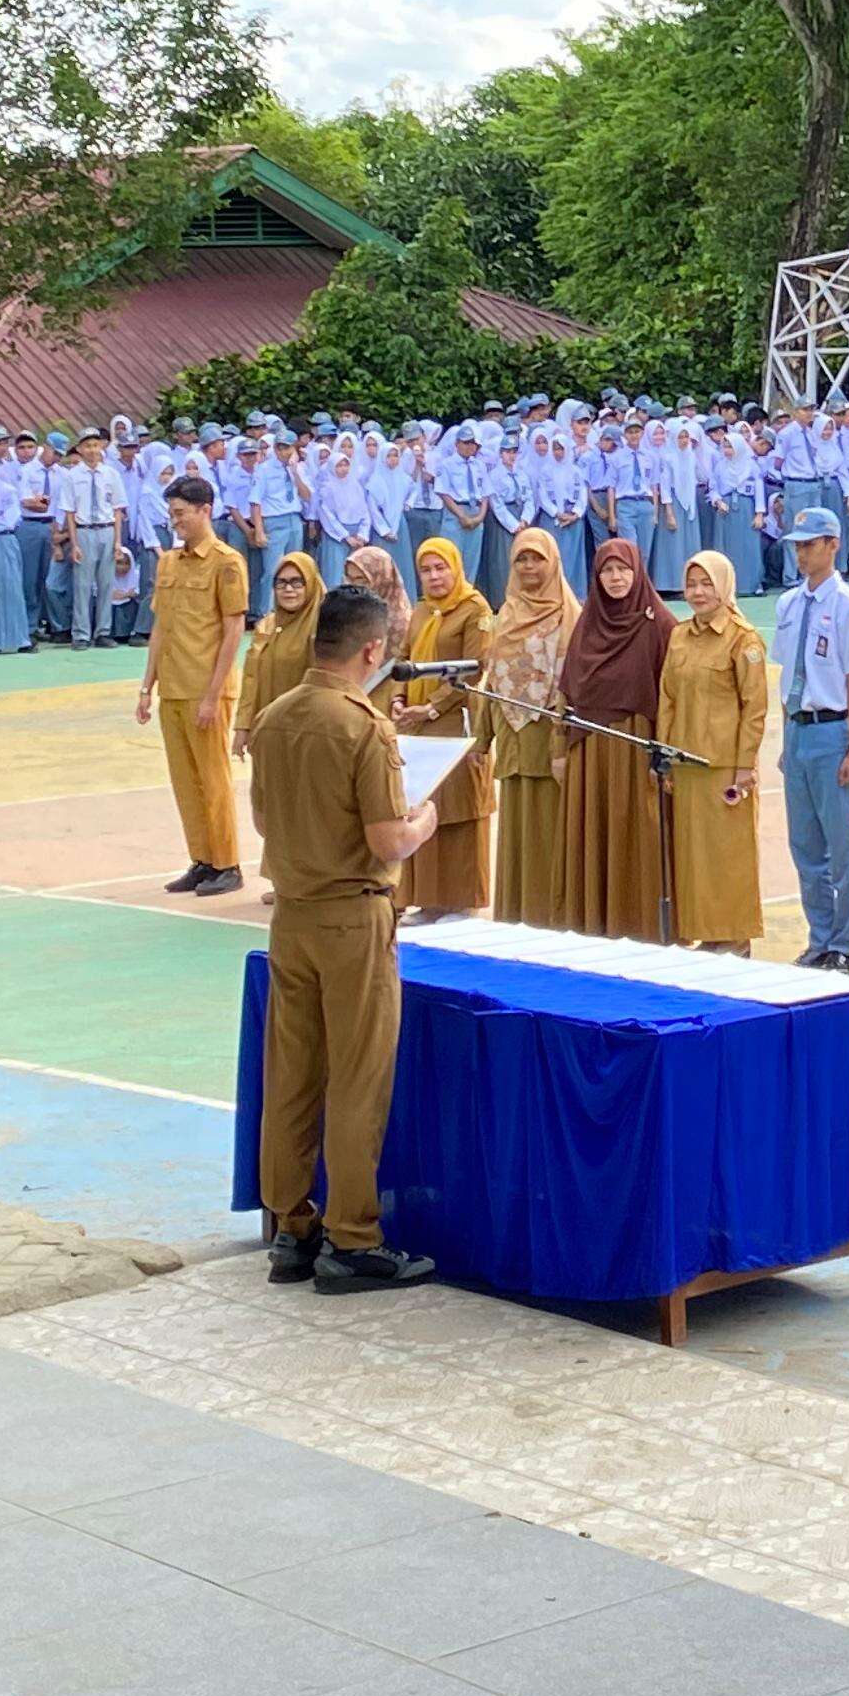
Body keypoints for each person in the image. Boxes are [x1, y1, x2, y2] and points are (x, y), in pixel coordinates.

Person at [249, 583, 442, 1294]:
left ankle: (292, 1227)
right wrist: (424, 820)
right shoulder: (365, 728)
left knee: (292, 1078)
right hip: (352, 915)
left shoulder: (273, 717)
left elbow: (265, 820)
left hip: (292, 915)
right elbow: (387, 838)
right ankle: (354, 1237)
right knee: (358, 1079)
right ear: (372, 650)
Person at [137, 474, 251, 899]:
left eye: (182, 513)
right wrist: (147, 686)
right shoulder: (168, 562)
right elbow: (161, 627)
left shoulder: (226, 562)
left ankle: (227, 862)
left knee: (213, 779)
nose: (176, 521)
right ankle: (202, 858)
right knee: (185, 780)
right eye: (172, 514)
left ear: (206, 511)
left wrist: (213, 694)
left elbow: (233, 629)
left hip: (206, 687)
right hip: (173, 686)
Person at [559, 535, 676, 941]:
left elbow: (671, 694)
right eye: (607, 571)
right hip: (591, 749)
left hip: (636, 746)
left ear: (637, 571)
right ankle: (595, 920)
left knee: (637, 830)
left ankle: (641, 924)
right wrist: (562, 746)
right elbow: (569, 690)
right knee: (596, 831)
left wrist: (663, 751)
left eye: (623, 569)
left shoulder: (660, 625)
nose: (615, 578)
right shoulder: (588, 625)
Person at [771, 509, 849, 970]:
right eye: (797, 545)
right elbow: (786, 675)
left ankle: (845, 945)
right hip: (799, 729)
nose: (802, 553)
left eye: (810, 545)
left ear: (833, 544)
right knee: (805, 845)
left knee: (841, 846)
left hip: (831, 730)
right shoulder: (789, 604)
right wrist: (785, 736)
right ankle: (819, 938)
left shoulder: (848, 607)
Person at [658, 549, 769, 952]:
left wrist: (744, 766)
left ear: (724, 586)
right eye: (691, 584)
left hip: (724, 767)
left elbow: (754, 708)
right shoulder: (679, 636)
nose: (698, 592)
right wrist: (666, 757)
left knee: (728, 855)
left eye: (707, 584)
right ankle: (706, 931)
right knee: (695, 857)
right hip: (687, 765)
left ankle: (734, 936)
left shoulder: (743, 639)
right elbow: (667, 698)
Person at [387, 535, 496, 921]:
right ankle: (427, 899)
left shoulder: (474, 609)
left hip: (455, 725)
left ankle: (460, 900)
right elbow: (403, 657)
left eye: (440, 568)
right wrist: (399, 698)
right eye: (426, 570)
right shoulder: (421, 610)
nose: (434, 577)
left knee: (457, 812)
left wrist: (431, 707)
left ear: (456, 568)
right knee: (422, 809)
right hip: (416, 727)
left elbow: (475, 667)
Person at [477, 524, 581, 927]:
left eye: (537, 558)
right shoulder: (505, 615)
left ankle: (553, 917)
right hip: (512, 737)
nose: (529, 566)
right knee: (516, 830)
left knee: (550, 828)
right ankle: (516, 915)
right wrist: (482, 739)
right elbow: (492, 681)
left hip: (550, 739)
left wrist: (563, 744)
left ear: (553, 562)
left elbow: (575, 685)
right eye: (521, 558)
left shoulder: (570, 616)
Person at [230, 549, 325, 763]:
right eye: (281, 583)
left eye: (297, 582)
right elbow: (251, 679)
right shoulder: (267, 625)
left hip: (308, 738)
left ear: (311, 584)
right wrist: (243, 726)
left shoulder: (324, 628)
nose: (288, 589)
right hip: (267, 734)